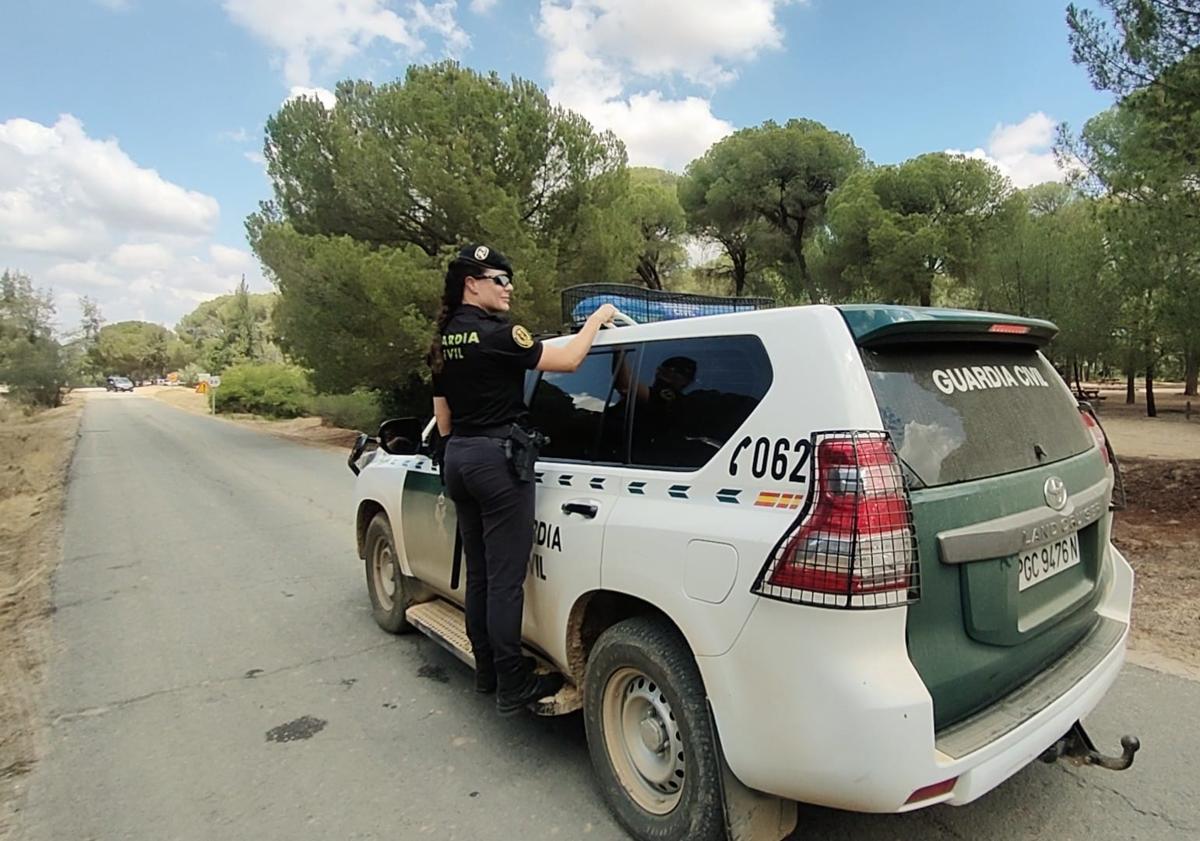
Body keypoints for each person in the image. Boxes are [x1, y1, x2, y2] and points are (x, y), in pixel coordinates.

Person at [428, 244, 616, 716]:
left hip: (460, 459)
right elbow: (571, 361)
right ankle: (513, 682)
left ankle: (488, 669)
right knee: (507, 579)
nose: (509, 286)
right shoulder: (498, 333)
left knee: (481, 573)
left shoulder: (446, 336)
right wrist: (597, 319)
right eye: (499, 279)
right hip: (496, 461)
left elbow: (443, 417)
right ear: (472, 283)